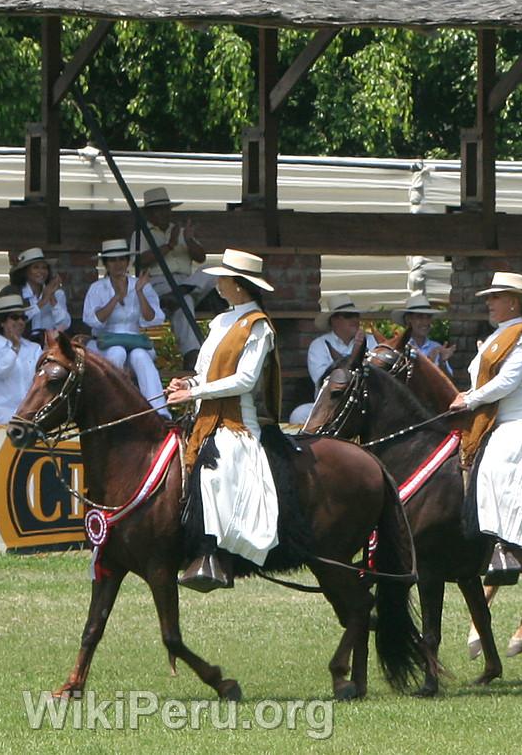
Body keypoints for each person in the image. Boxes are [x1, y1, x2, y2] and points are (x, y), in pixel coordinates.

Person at [164, 249, 280, 592]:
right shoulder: (220, 322)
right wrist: (188, 384)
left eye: (223, 278)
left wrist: (195, 394)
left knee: (215, 471)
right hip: (205, 414)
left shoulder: (258, 326)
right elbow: (204, 374)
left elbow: (245, 380)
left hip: (237, 422)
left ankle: (211, 554)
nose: (217, 283)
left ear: (239, 285)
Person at [447, 272, 522, 585]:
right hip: (496, 417)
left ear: (514, 302)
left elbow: (507, 382)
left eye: (495, 297)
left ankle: (508, 546)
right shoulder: (498, 336)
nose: (489, 303)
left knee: (496, 463)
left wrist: (470, 400)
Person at [83, 238, 165, 414]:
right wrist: (116, 297)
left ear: (128, 261)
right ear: (106, 264)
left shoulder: (139, 284)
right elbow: (93, 320)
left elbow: (152, 318)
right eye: (113, 260)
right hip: (105, 343)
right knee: (117, 352)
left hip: (134, 342)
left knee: (141, 356)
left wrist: (140, 293)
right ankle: (107, 407)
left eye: (122, 259)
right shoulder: (97, 288)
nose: (118, 264)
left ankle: (159, 411)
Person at [133, 186, 209, 356]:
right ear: (150, 213)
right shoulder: (142, 234)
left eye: (166, 209)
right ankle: (192, 353)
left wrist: (189, 240)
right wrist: (169, 245)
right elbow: (139, 262)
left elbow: (200, 258)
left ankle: (179, 294)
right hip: (160, 284)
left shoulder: (182, 231)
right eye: (159, 211)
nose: (164, 214)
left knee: (211, 270)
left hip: (187, 282)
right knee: (185, 301)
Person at [289, 295, 376, 423]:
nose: (355, 320)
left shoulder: (371, 341)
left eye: (356, 315)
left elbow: (376, 375)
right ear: (334, 320)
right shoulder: (319, 345)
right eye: (348, 316)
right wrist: (354, 356)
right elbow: (324, 381)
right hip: (329, 406)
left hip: (364, 404)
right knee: (298, 415)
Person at [0, 290, 43, 424]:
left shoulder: (34, 348)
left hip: (31, 415)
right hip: (0, 414)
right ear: (2, 322)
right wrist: (15, 348)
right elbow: (1, 371)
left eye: (23, 317)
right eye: (15, 318)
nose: (21, 322)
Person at [8, 248, 69, 343]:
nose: (41, 271)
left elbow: (65, 324)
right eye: (36, 267)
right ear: (25, 271)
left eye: (44, 268)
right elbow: (15, 320)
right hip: (22, 346)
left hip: (50, 346)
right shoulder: (16, 293)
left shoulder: (58, 294)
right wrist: (42, 302)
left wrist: (52, 298)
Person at [396, 293, 457, 376]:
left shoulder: (436, 347)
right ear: (408, 319)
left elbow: (448, 381)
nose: (425, 322)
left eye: (428, 317)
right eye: (420, 317)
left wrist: (442, 362)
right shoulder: (399, 348)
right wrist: (429, 362)